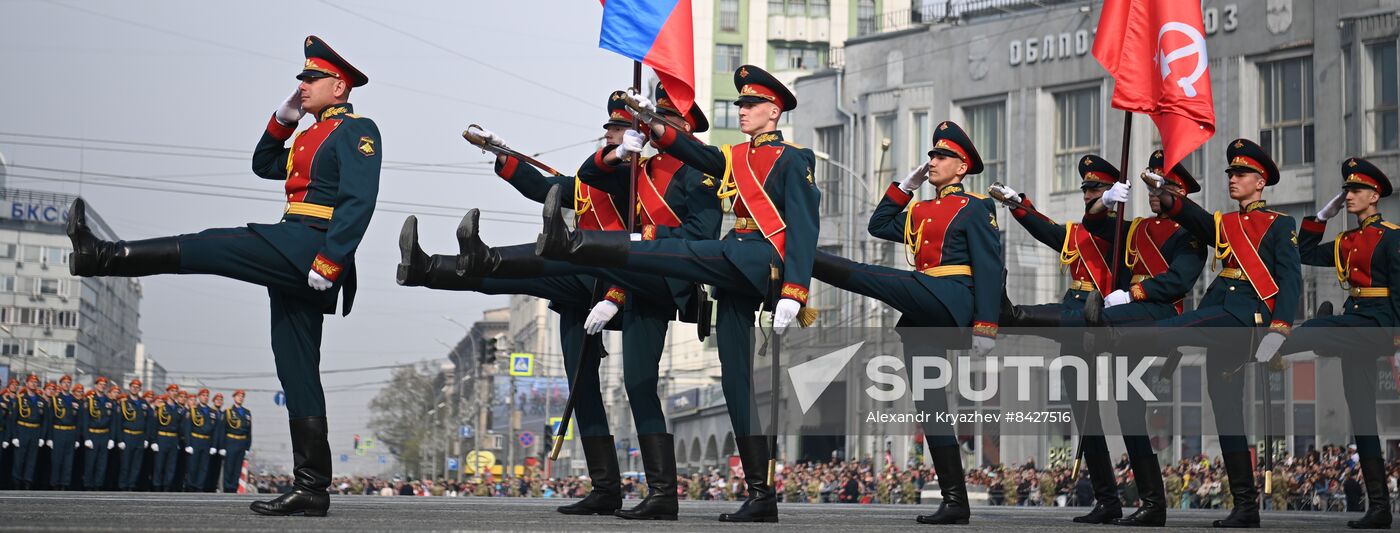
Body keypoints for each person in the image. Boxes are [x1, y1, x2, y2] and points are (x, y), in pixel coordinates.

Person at [66, 35, 381, 517]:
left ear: (339, 86)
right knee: (296, 367)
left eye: (311, 79)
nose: (303, 85)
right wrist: (282, 122)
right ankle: (313, 487)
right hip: (295, 242)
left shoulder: (359, 130)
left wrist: (332, 260)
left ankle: (104, 256)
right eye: (301, 78)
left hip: (310, 247)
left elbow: (359, 202)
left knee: (217, 244)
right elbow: (264, 165)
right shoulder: (309, 134)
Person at [537, 65, 820, 523]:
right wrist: (649, 123)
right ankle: (760, 494)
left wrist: (795, 290)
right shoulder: (733, 157)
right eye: (740, 104)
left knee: (679, 252)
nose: (742, 110)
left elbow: (805, 229)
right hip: (732, 269)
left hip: (758, 260)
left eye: (750, 105)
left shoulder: (794, 159)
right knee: (736, 382)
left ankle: (584, 248)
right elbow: (695, 153)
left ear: (773, 111)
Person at [397, 92, 636, 517]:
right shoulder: (590, 180)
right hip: (579, 294)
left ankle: (454, 262)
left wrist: (615, 296)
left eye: (616, 130)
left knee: (534, 265)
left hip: (609, 282)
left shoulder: (633, 180)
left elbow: (635, 241)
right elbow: (541, 187)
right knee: (581, 389)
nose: (608, 135)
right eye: (608, 131)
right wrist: (501, 152)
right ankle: (426, 268)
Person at [808, 119, 1002, 525]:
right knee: (931, 406)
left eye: (942, 156)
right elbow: (877, 225)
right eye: (931, 154)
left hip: (951, 299)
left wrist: (986, 322)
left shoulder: (977, 207)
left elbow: (989, 266)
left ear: (962, 167)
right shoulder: (922, 210)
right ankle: (955, 501)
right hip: (921, 309)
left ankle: (802, 256)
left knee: (875, 277)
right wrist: (904, 187)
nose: (932, 161)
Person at [1099, 138, 1301, 529]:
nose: (1233, 179)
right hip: (1218, 314)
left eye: (1241, 174)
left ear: (1261, 182)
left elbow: (1291, 279)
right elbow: (1194, 219)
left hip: (1243, 318)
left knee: (1174, 328)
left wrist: (1281, 327)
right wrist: (1165, 194)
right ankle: (1246, 507)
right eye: (1230, 173)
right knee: (1227, 414)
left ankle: (1116, 333)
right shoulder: (1225, 224)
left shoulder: (1280, 225)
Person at [994, 154, 1125, 523]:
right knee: (1084, 414)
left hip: (1100, 314)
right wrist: (1018, 205)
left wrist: (1109, 206)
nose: (1088, 195)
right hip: (1073, 310)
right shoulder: (1080, 231)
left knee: (1106, 412)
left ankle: (1012, 314)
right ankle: (1107, 501)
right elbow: (1048, 229)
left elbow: (1099, 227)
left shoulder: (1119, 230)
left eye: (1095, 189)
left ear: (1111, 192)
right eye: (1086, 189)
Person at [1079, 149, 1207, 527]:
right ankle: (1152, 504)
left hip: (1158, 316)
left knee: (1089, 320)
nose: (1153, 191)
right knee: (1128, 412)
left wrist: (1131, 294)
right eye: (1150, 183)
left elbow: (1179, 281)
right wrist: (1104, 201)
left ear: (1178, 191)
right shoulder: (1134, 228)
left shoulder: (1191, 234)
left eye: (1160, 184)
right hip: (1124, 320)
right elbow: (1091, 225)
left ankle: (1023, 318)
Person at [1281, 157, 1400, 530]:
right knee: (1362, 420)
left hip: (1377, 323)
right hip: (1354, 328)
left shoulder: (1393, 236)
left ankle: (1271, 343)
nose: (1349, 196)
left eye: (1356, 191)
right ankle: (1379, 509)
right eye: (1346, 191)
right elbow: (1301, 252)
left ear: (1375, 195)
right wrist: (1321, 216)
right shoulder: (1347, 240)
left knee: (1320, 326)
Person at [11, 373, 48, 490]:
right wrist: (15, 436)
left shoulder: (41, 401)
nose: (34, 384)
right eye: (31, 382)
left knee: (31, 459)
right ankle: (17, 481)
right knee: (19, 458)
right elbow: (13, 420)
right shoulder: (21, 399)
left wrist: (42, 437)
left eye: (36, 382)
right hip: (22, 430)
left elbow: (45, 421)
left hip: (35, 431)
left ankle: (28, 481)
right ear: (26, 384)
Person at [47, 374, 81, 490]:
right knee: (57, 460)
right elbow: (50, 419)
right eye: (64, 383)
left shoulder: (75, 400)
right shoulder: (55, 400)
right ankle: (54, 483)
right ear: (60, 385)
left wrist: (76, 439)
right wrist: (50, 437)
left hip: (70, 433)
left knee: (68, 461)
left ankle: (65, 484)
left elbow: (78, 422)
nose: (67, 384)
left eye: (69, 383)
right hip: (58, 432)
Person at [81, 381, 115, 491]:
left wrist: (111, 439)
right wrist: (87, 438)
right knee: (90, 462)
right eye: (100, 384)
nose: (102, 386)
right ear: (96, 386)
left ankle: (98, 485)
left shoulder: (109, 402)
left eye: (104, 385)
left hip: (104, 434)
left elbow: (113, 422)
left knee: (102, 463)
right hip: (93, 434)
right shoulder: (89, 401)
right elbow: (85, 420)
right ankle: (88, 485)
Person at [116, 379, 150, 491]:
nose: (135, 389)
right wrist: (120, 439)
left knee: (136, 464)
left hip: (139, 437)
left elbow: (148, 423)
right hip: (127, 436)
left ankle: (131, 484)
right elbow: (118, 422)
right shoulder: (124, 403)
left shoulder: (144, 403)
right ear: (129, 388)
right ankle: (123, 485)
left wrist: (146, 439)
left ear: (140, 389)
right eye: (133, 386)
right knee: (125, 463)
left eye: (137, 387)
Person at [185, 387, 218, 491]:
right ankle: (191, 485)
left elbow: (215, 431)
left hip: (207, 441)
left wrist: (214, 445)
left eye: (207, 396)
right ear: (199, 397)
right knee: (193, 465)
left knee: (204, 466)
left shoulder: (213, 412)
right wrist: (188, 444)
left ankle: (200, 486)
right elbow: (188, 428)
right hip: (195, 440)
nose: (205, 397)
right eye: (203, 395)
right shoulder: (194, 410)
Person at [221, 390, 254, 493]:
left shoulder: (247, 413)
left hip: (242, 442)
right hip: (231, 441)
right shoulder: (228, 412)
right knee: (229, 466)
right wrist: (222, 446)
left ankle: (234, 487)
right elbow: (222, 430)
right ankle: (227, 487)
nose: (240, 398)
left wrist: (247, 448)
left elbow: (249, 432)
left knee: (237, 468)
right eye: (238, 396)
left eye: (242, 396)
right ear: (234, 398)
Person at [149, 392, 182, 492]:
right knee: (159, 464)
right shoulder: (160, 408)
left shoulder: (179, 409)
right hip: (162, 437)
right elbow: (154, 425)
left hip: (173, 439)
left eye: (176, 391)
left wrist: (179, 442)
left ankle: (167, 486)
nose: (174, 393)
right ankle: (157, 485)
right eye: (172, 391)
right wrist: (154, 441)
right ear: (168, 393)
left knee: (171, 465)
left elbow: (181, 426)